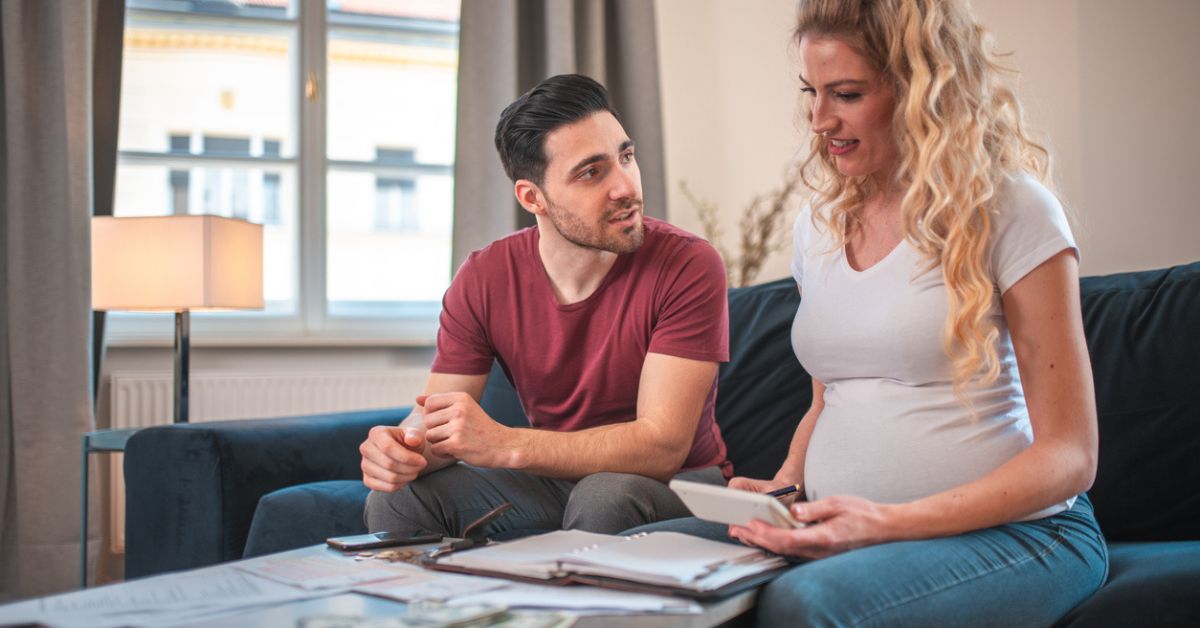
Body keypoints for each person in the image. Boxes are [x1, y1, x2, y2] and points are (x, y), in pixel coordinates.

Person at [629, 0, 1108, 624]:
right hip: (842, 526)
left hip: (1022, 534)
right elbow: (830, 400)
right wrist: (783, 489)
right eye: (811, 91)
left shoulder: (1013, 209)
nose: (819, 120)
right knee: (629, 562)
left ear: (921, 91)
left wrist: (886, 522)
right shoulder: (819, 225)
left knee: (808, 601)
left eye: (847, 94)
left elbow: (1071, 455)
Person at [360, 74, 731, 538]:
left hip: (678, 486)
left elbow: (662, 446)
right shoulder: (483, 277)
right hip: (557, 484)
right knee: (399, 495)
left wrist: (508, 446)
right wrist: (402, 446)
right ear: (532, 197)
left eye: (626, 157)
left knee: (604, 495)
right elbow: (436, 418)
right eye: (591, 172)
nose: (626, 187)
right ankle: (442, 614)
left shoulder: (688, 264)